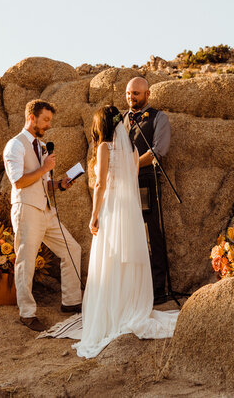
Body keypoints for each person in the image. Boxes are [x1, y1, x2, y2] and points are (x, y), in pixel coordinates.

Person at [73, 105, 178, 358]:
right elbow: (130, 177)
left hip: (111, 208)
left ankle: (112, 313)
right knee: (127, 258)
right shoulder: (132, 149)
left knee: (110, 259)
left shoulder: (104, 148)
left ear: (103, 125)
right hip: (130, 211)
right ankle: (130, 307)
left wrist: (94, 215)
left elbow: (100, 184)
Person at [2, 99, 83, 332]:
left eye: (50, 121)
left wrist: (59, 184)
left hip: (46, 211)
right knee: (26, 261)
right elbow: (18, 182)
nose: (48, 125)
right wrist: (45, 168)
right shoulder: (15, 146)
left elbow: (41, 183)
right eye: (45, 120)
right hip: (27, 210)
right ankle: (27, 314)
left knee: (72, 249)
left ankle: (70, 302)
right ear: (32, 117)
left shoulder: (41, 146)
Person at [124, 76, 172, 303]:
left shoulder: (158, 118)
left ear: (147, 94)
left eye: (136, 93)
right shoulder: (122, 119)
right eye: (128, 93)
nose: (131, 97)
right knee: (128, 236)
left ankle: (158, 290)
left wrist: (131, 165)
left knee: (152, 234)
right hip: (124, 186)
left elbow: (158, 150)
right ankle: (134, 287)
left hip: (147, 182)